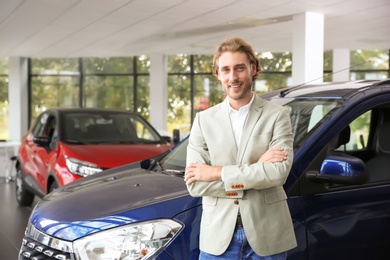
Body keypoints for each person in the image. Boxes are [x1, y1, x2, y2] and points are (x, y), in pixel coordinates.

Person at [184, 37, 297, 259]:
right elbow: (196, 184)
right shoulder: (203, 120)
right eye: (225, 70)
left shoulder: (277, 115)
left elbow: (278, 173)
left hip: (268, 235)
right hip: (218, 239)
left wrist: (216, 173)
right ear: (217, 74)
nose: (233, 77)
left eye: (239, 68)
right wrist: (256, 171)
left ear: (252, 69)